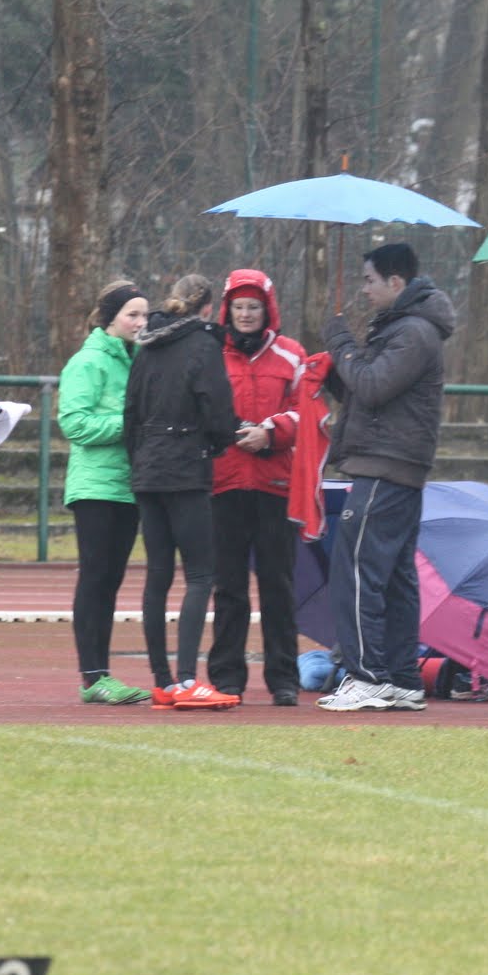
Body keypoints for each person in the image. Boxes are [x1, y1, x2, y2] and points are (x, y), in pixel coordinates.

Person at [316, 242, 456, 713]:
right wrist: (335, 372)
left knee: (356, 574)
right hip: (394, 466)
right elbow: (369, 390)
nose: (364, 289)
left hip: (385, 467)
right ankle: (401, 679)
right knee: (395, 579)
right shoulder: (404, 327)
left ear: (396, 282)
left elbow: (374, 386)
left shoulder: (413, 331)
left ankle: (368, 676)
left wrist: (340, 343)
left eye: (370, 280)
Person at [124, 273, 239, 710]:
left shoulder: (147, 345)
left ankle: (163, 680)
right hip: (186, 467)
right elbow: (218, 409)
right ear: (208, 308)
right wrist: (220, 441)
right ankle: (189, 678)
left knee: (157, 574)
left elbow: (130, 411)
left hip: (147, 468)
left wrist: (140, 458)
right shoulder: (204, 345)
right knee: (200, 574)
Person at [208, 269, 306, 707]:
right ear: (227, 310)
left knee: (278, 586)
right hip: (224, 483)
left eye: (253, 307)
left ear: (268, 310)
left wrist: (270, 433)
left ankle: (284, 679)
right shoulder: (211, 354)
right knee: (228, 588)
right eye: (239, 307)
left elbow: (307, 412)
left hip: (276, 484)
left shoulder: (292, 355)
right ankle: (227, 677)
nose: (246, 314)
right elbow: (201, 408)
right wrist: (231, 431)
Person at [58, 279, 152, 705]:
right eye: (132, 314)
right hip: (96, 487)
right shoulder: (88, 362)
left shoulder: (140, 361)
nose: (141, 322)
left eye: (144, 314)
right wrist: (128, 424)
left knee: (111, 580)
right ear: (110, 318)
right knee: (95, 577)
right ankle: (93, 676)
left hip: (129, 486)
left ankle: (101, 674)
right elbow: (74, 424)